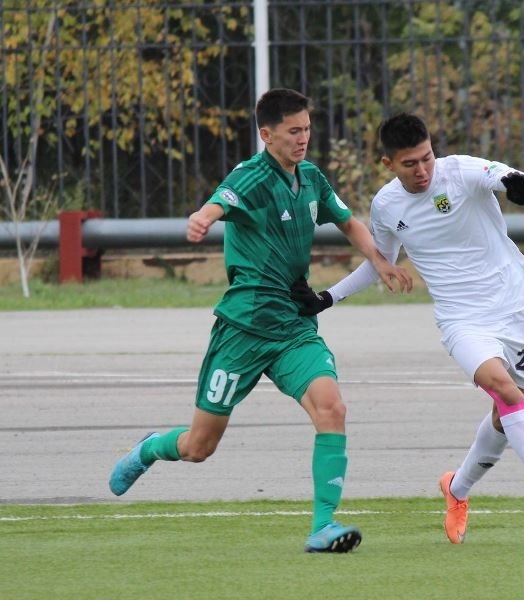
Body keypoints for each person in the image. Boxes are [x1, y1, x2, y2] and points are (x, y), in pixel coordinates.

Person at [108, 88, 412, 554]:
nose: (303, 138)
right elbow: (218, 202)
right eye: (293, 131)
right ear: (267, 135)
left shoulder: (311, 178)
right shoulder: (250, 177)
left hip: (292, 325)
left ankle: (323, 526)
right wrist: (202, 218)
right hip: (243, 331)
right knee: (199, 447)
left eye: (307, 129)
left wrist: (380, 259)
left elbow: (349, 222)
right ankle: (150, 448)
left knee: (332, 408)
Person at [291, 112, 524, 544]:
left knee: (506, 417)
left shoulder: (463, 171)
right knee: (507, 394)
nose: (422, 170)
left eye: (427, 158)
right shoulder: (386, 206)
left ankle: (457, 488)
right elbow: (379, 263)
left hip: (516, 306)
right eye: (410, 163)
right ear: (388, 164)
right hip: (461, 320)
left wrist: (523, 187)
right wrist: (328, 297)